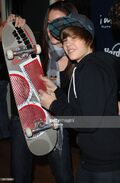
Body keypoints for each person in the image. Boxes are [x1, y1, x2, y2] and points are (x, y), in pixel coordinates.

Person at [39, 13, 120, 183]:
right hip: (95, 159)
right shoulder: (87, 66)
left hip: (104, 165)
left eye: (74, 37)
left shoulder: (90, 69)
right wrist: (57, 91)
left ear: (88, 39)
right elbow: (80, 107)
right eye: (65, 40)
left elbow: (87, 122)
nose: (68, 44)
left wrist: (53, 104)